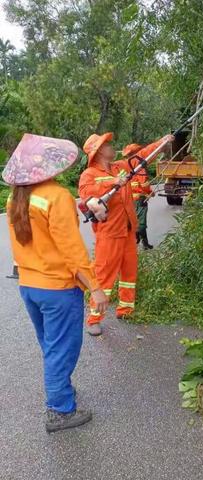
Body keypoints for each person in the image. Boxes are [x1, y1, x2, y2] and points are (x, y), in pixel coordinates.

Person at [2, 133, 108, 433]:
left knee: (51, 346)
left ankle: (60, 390)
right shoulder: (56, 197)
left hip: (29, 286)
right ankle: (60, 409)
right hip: (58, 290)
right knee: (62, 348)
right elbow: (72, 250)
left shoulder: (16, 196)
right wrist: (95, 287)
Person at [79, 132, 174, 336]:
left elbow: (142, 157)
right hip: (109, 234)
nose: (112, 146)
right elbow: (87, 195)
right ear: (99, 152)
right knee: (104, 277)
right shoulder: (89, 175)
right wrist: (113, 183)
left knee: (129, 273)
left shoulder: (120, 167)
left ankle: (126, 309)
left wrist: (161, 142)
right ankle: (94, 318)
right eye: (107, 144)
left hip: (128, 230)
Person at [122, 143, 155, 250]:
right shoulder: (139, 168)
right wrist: (150, 192)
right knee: (141, 222)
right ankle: (143, 243)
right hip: (140, 199)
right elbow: (144, 184)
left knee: (133, 220)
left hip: (128, 199)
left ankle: (137, 240)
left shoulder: (124, 167)